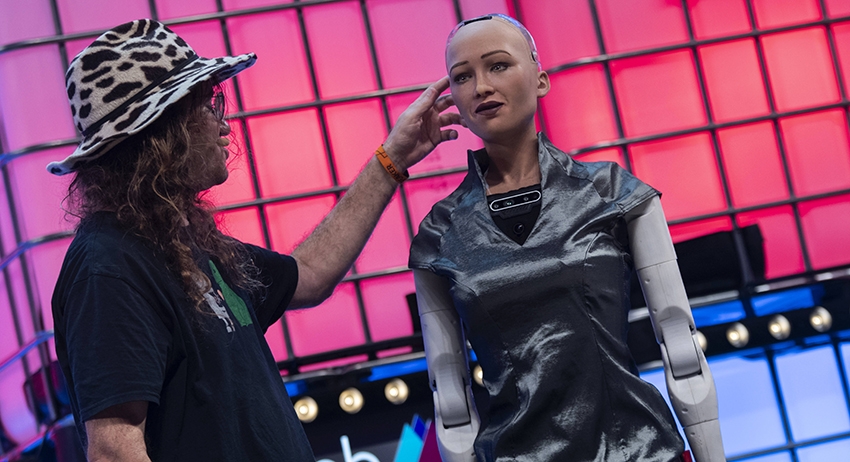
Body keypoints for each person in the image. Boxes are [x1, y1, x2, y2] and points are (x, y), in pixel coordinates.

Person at [49, 19, 460, 461]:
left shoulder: (181, 242)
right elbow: (114, 451)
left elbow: (309, 274)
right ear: (163, 134)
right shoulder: (109, 267)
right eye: (207, 105)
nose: (223, 124)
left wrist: (392, 159)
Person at [409, 14, 725, 462]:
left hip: (639, 450)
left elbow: (681, 343)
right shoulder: (440, 234)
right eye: (462, 76)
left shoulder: (613, 193)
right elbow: (450, 396)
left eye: (498, 65)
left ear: (540, 80)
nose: (480, 87)